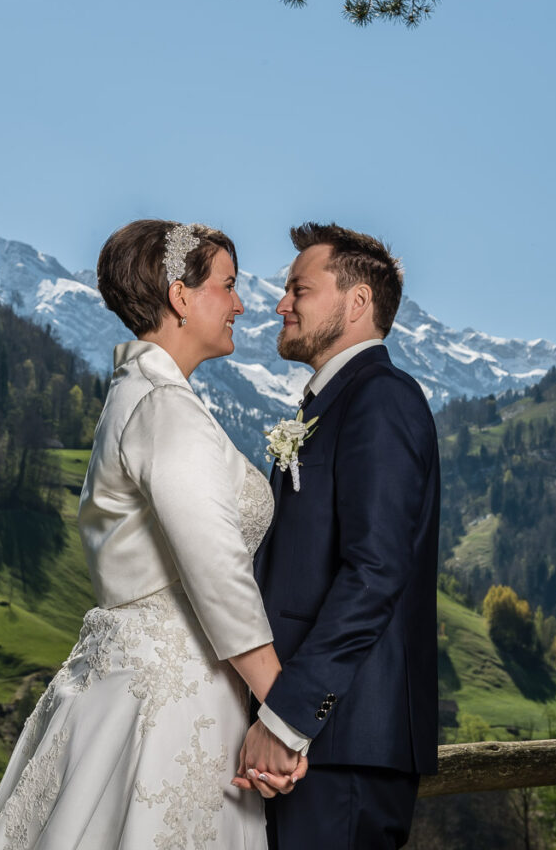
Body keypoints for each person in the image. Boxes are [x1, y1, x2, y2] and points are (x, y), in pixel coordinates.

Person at [0, 219, 305, 850]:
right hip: (174, 703)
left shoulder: (140, 393)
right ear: (181, 296)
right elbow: (217, 573)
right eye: (228, 286)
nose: (240, 303)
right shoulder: (163, 408)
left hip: (145, 682)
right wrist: (285, 714)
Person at [237, 222, 440, 849]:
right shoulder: (326, 405)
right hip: (313, 749)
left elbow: (375, 572)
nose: (280, 304)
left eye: (299, 288)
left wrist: (288, 716)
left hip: (344, 743)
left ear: (357, 303)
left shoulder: (382, 397)